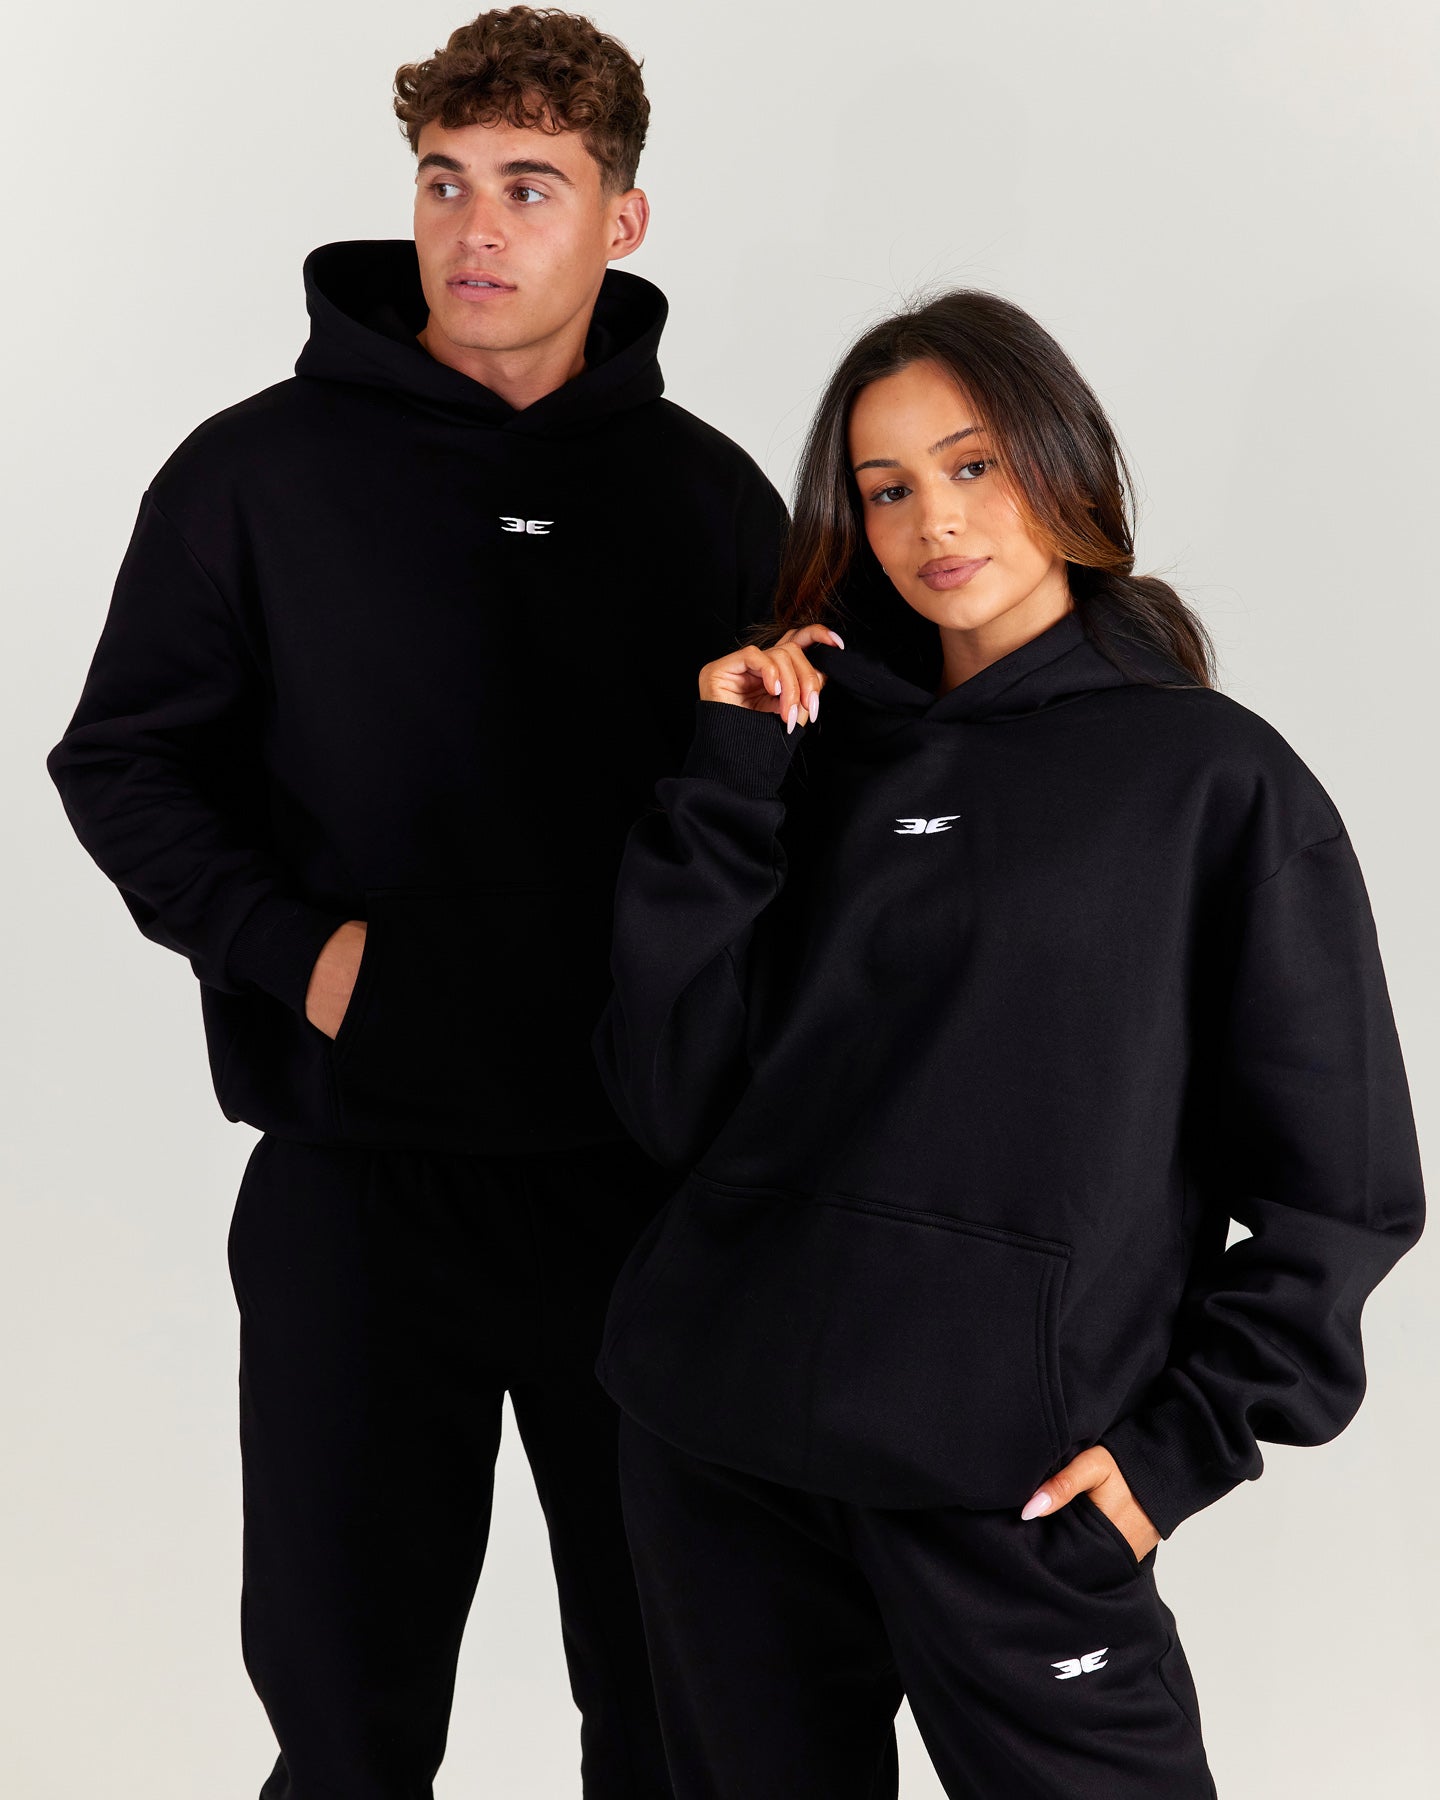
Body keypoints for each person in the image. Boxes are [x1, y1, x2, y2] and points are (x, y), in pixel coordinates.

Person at [45, 9, 787, 1797]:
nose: (475, 229)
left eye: (530, 186)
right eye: (445, 182)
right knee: (348, 1728)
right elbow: (122, 762)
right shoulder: (253, 475)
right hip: (357, 1192)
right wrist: (301, 958)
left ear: (621, 219)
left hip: (642, 1195)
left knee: (674, 1711)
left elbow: (798, 817)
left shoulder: (707, 501)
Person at [588, 289, 1426, 1798]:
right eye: (886, 488)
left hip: (1013, 1490)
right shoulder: (809, 763)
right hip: (723, 1451)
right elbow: (671, 1098)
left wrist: (1175, 1455)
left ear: (1062, 460)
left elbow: (1345, 1188)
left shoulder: (1211, 782)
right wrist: (728, 781)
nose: (935, 522)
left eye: (972, 465)